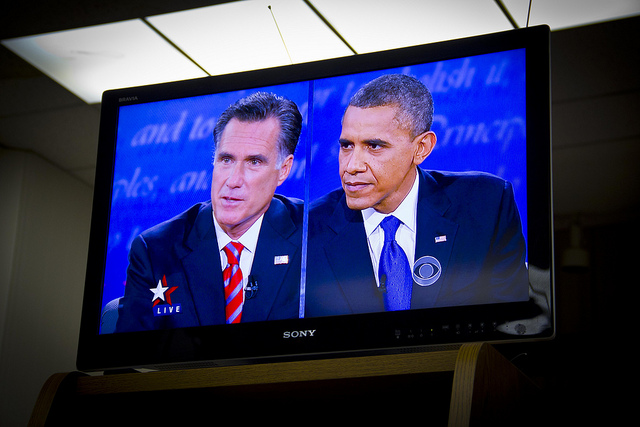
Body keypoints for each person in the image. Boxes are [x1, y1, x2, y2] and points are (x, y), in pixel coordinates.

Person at [304, 74, 529, 317]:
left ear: (421, 148)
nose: (351, 166)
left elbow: (511, 328)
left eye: (374, 146)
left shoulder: (487, 204)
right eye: (347, 145)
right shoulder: (309, 228)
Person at [116, 92, 304, 332]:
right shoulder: (155, 250)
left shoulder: (311, 233)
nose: (233, 180)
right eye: (226, 159)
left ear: (284, 169)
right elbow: (129, 356)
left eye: (254, 162)